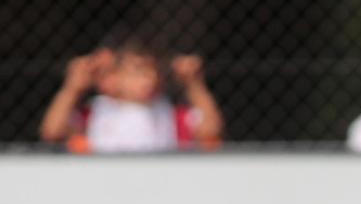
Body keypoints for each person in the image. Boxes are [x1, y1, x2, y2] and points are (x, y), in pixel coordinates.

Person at [39, 36, 223, 152]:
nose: (149, 79)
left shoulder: (169, 112)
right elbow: (52, 131)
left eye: (153, 71)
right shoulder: (96, 112)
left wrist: (193, 84)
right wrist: (72, 88)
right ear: (114, 76)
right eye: (138, 71)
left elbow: (210, 130)